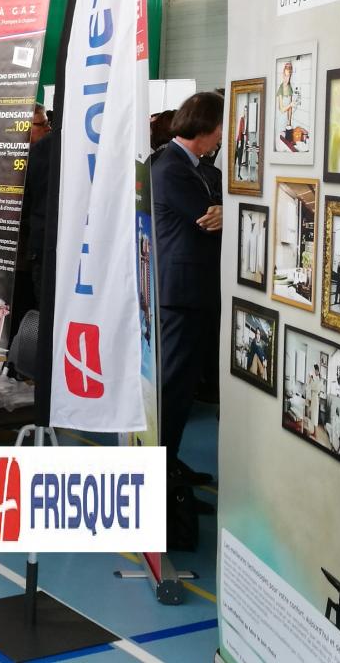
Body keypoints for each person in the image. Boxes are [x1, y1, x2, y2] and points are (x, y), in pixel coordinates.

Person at [150, 92, 224, 488]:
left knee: (182, 386)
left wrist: (223, 210)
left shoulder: (189, 165)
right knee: (173, 387)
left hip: (190, 293)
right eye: (220, 129)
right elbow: (206, 218)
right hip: (181, 295)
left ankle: (169, 464)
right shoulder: (172, 168)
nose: (222, 137)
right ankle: (158, 473)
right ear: (206, 128)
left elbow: (215, 210)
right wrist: (226, 212)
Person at [21, 105, 52, 305]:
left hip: (38, 247)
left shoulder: (42, 152)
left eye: (47, 123)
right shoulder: (38, 154)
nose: (48, 128)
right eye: (42, 124)